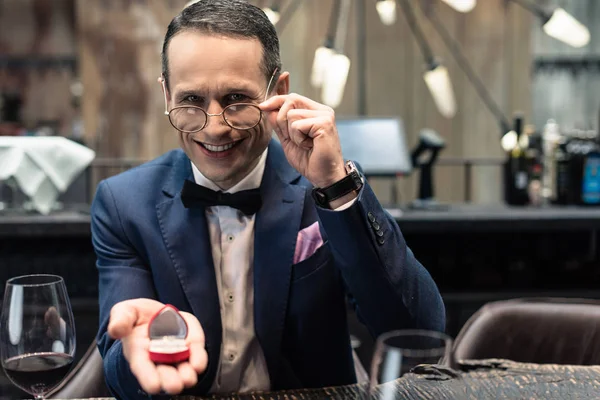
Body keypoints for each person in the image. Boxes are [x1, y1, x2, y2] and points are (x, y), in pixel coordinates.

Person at [91, 0, 445, 398]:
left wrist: (335, 187)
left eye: (236, 100)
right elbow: (121, 372)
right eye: (191, 101)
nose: (215, 127)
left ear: (278, 91)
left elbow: (419, 331)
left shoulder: (325, 187)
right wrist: (144, 352)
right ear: (166, 93)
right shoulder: (123, 204)